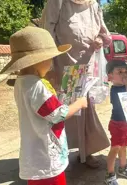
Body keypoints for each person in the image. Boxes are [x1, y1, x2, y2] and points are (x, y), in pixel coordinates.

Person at [0, 26, 88, 185]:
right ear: (39, 61)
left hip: (34, 157)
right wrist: (79, 104)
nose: (51, 64)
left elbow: (43, 107)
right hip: (46, 157)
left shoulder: (22, 82)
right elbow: (58, 114)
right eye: (50, 59)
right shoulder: (37, 86)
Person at [42, 0, 111, 168]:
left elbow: (105, 35)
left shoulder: (93, 5)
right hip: (63, 66)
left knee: (85, 110)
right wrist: (49, 66)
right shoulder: (57, 2)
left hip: (87, 66)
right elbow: (46, 33)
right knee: (63, 111)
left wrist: (100, 40)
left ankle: (86, 152)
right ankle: (57, 153)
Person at [104, 60, 127, 185]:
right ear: (110, 76)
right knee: (115, 148)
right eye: (119, 71)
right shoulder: (114, 90)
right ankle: (110, 174)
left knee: (124, 147)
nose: (124, 74)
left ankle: (123, 167)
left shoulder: (125, 86)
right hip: (118, 124)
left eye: (125, 71)